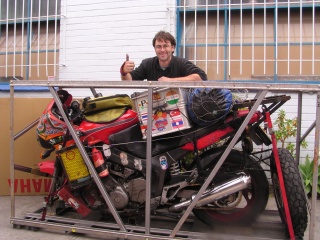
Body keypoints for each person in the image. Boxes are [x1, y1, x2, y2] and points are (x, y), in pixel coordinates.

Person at [120, 31, 207, 81]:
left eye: (165, 46)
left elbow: (201, 77)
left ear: (172, 48)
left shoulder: (181, 63)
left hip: (179, 110)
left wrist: (171, 81)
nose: (162, 50)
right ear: (155, 49)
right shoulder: (147, 64)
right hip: (154, 109)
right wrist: (124, 72)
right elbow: (130, 80)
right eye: (158, 46)